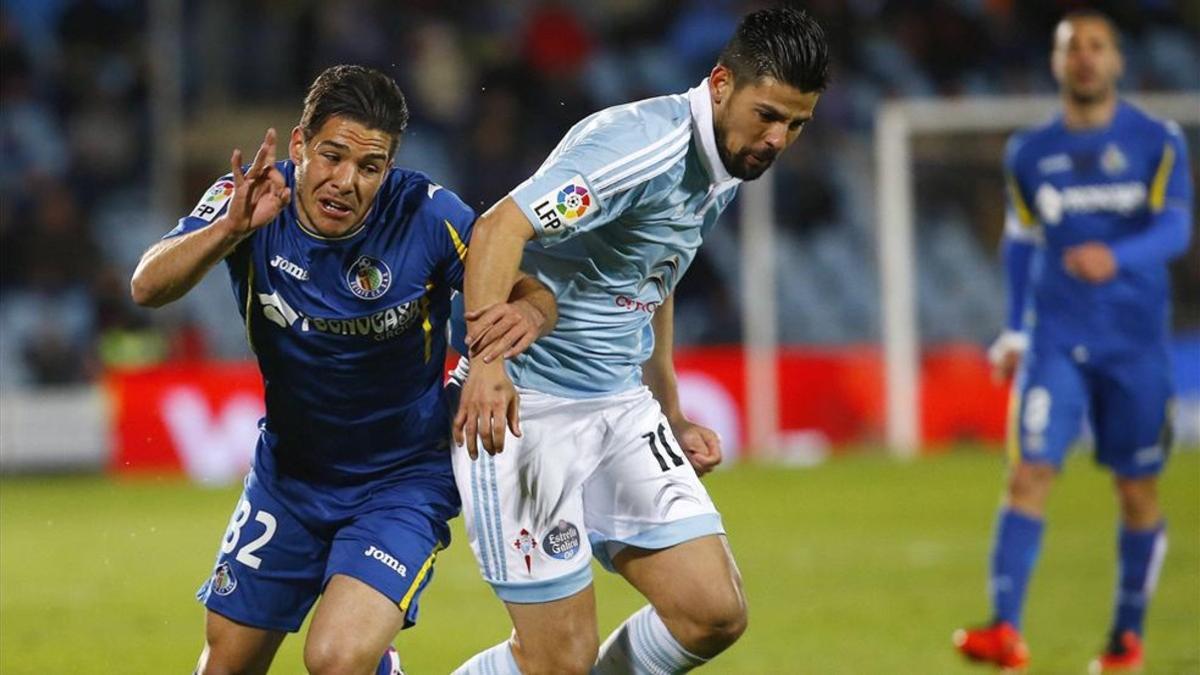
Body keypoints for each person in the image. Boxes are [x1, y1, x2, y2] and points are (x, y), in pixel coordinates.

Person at [130, 65, 557, 675]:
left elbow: (532, 293)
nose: (346, 181)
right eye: (331, 156)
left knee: (335, 658)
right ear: (299, 145)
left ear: (389, 168)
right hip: (290, 475)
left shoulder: (428, 215)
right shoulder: (252, 197)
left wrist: (502, 346)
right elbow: (147, 286)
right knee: (224, 664)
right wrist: (229, 230)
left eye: (370, 167)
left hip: (402, 478)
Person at [448, 8, 829, 674]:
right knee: (556, 659)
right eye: (767, 114)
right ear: (720, 83)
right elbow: (498, 228)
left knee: (714, 610)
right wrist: (486, 365)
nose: (776, 139)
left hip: (619, 410)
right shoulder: (639, 147)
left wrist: (669, 408)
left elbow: (655, 274)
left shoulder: (725, 163)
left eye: (796, 124)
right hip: (529, 411)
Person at [954, 10, 1192, 673]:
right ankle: (1005, 628)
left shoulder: (1157, 140)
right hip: (1057, 337)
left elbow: (1176, 231)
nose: (1084, 58)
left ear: (1117, 61)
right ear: (1056, 64)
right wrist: (1014, 328)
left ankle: (1126, 637)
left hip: (1134, 344)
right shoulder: (1028, 153)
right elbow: (1023, 244)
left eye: (1096, 46)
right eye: (1070, 48)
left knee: (1137, 489)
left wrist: (1115, 257)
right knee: (1028, 471)